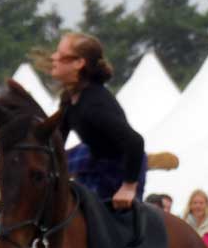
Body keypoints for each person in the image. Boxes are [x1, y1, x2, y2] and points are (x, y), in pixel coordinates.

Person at [49, 32, 145, 211]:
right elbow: (57, 142)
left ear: (79, 63)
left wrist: (128, 187)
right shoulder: (69, 98)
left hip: (122, 170)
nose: (53, 57)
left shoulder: (94, 104)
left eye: (60, 55)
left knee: (110, 226)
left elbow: (135, 142)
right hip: (96, 161)